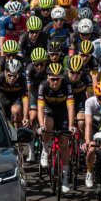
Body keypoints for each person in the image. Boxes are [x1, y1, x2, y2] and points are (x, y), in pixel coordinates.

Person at [37, 63, 76, 193]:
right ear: (48, 78)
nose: (55, 81)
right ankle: (45, 150)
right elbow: (40, 108)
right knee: (47, 124)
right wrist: (41, 126)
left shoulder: (67, 85)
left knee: (64, 144)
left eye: (57, 79)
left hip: (63, 113)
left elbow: (70, 107)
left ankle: (64, 178)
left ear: (61, 78)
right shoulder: (43, 86)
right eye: (52, 79)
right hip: (49, 111)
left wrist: (71, 125)